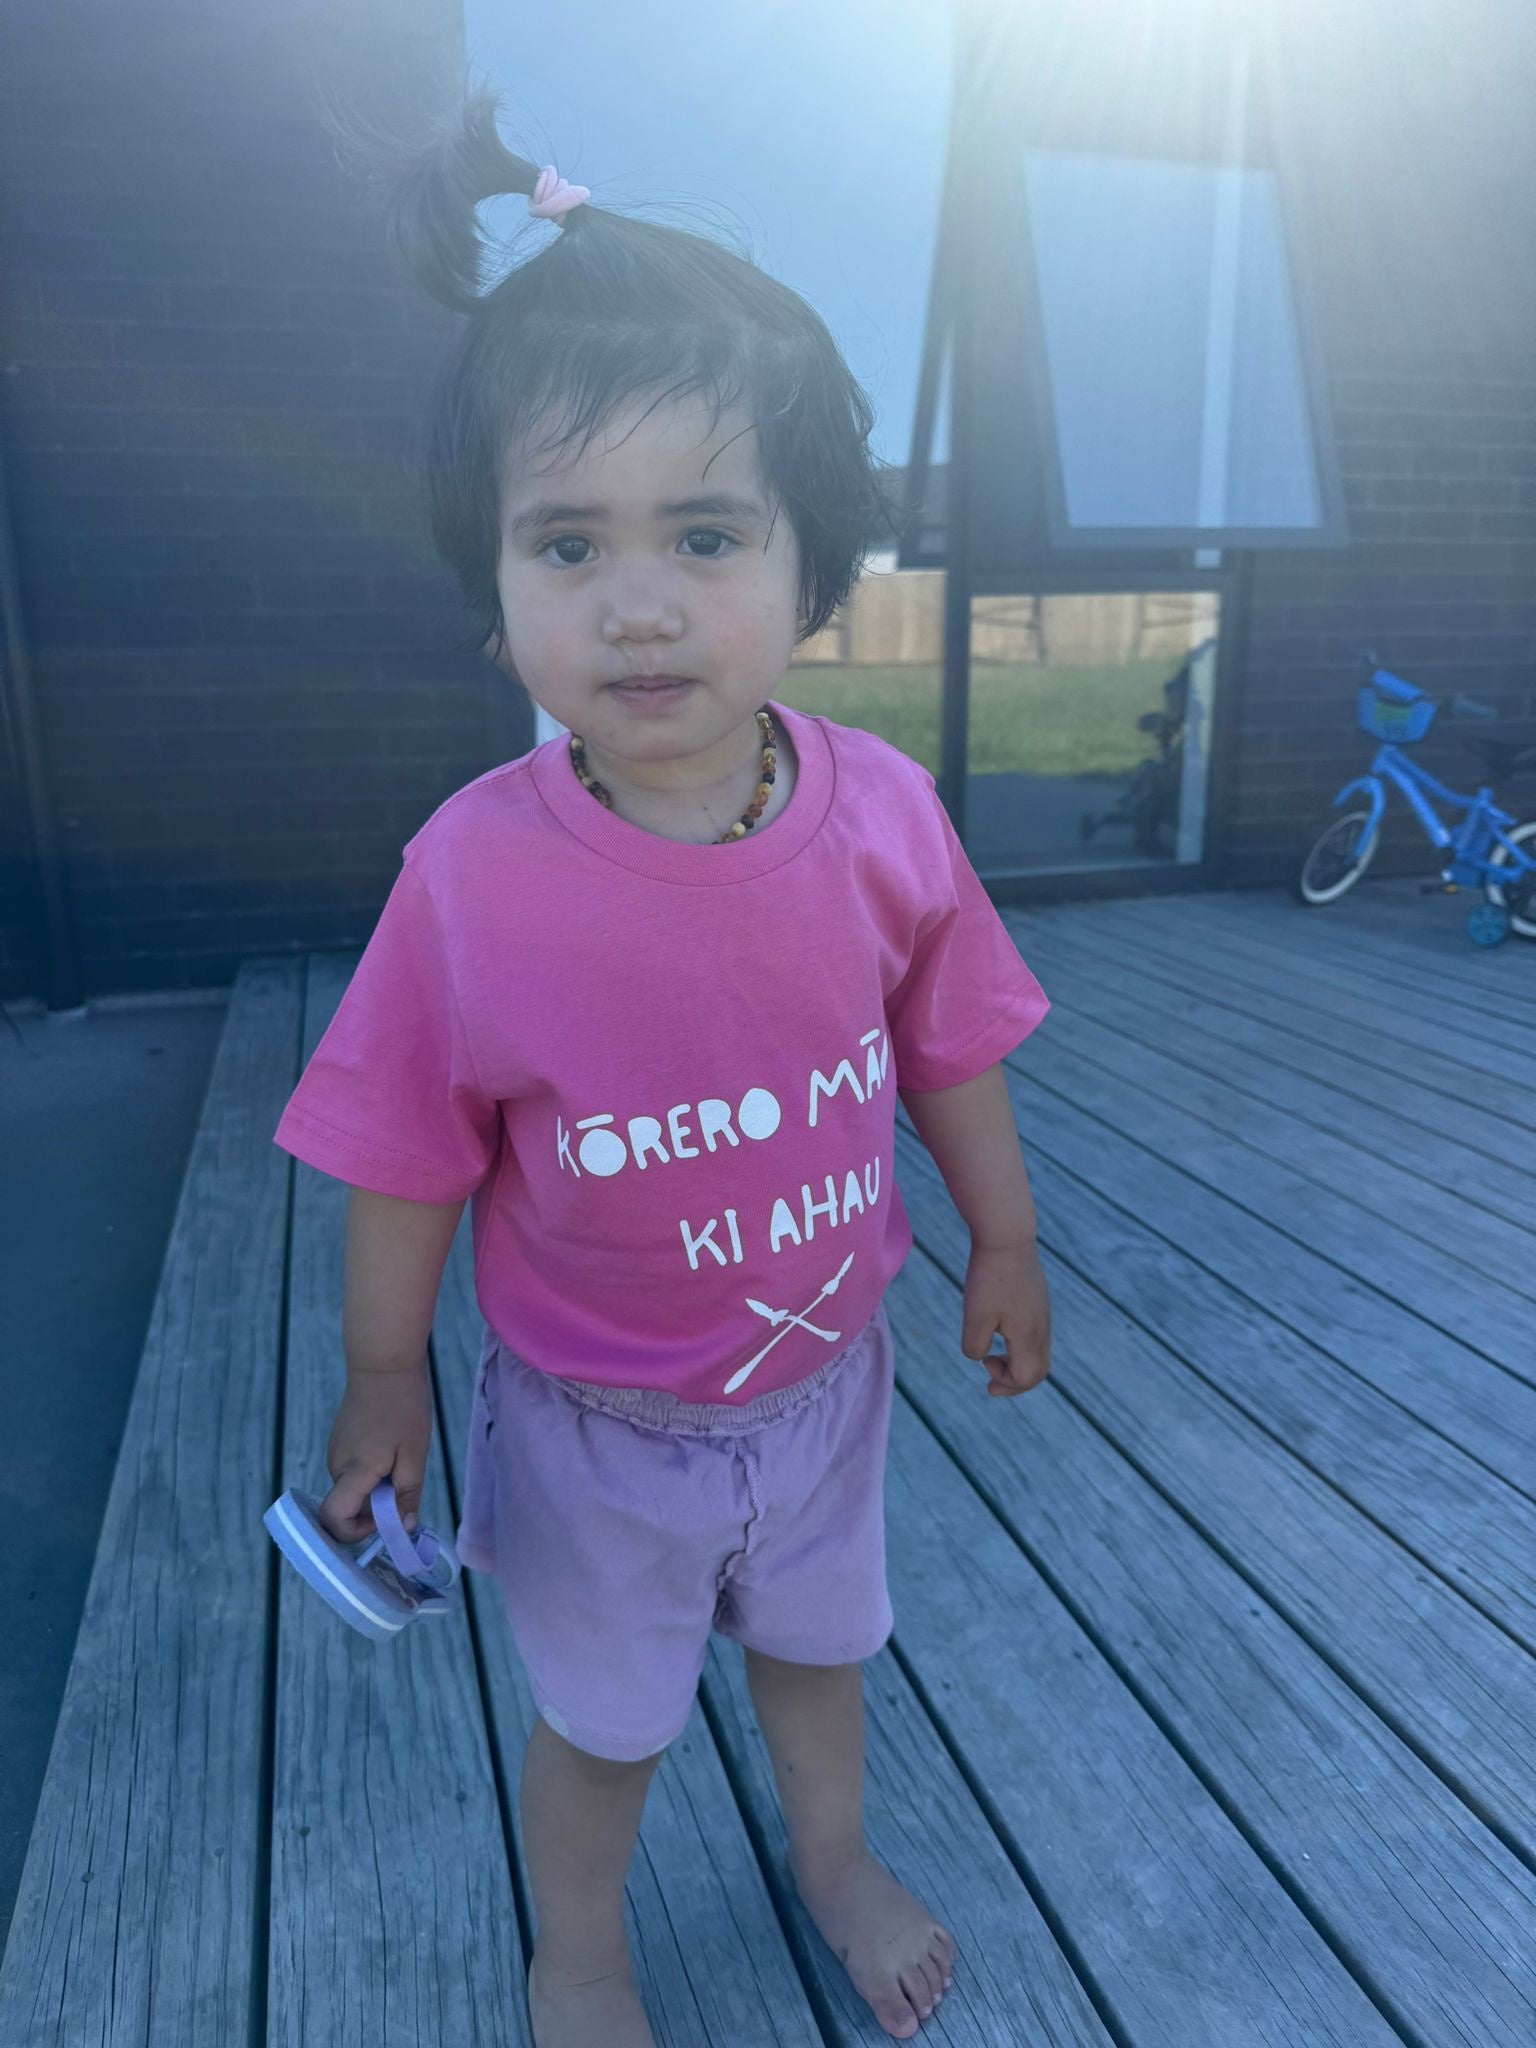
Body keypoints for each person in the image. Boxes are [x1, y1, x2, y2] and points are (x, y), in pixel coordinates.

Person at [272, 83, 1053, 2048]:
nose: (636, 601)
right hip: (597, 1429)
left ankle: (833, 1856)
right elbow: (404, 1148)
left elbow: (950, 1038)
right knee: (603, 1726)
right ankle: (583, 1957)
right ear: (494, 584)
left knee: (822, 1655)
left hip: (829, 1384)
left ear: (812, 565)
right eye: (567, 541)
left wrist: (1005, 1236)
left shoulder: (884, 816)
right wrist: (384, 1374)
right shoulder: (473, 878)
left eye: (705, 532)